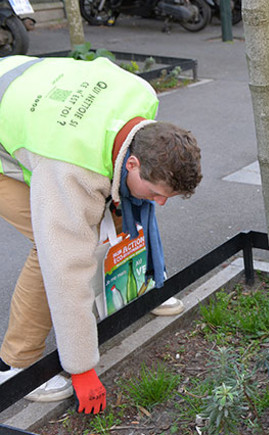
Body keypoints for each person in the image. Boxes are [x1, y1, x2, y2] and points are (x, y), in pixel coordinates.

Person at [0, 55, 202, 413]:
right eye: (157, 192)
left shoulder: (141, 96)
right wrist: (81, 368)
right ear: (133, 162)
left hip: (24, 84)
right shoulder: (70, 167)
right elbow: (66, 265)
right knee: (47, 243)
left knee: (120, 199)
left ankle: (142, 285)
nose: (161, 203)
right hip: (26, 130)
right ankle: (16, 363)